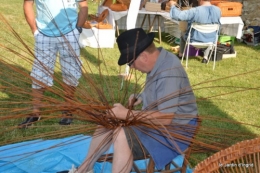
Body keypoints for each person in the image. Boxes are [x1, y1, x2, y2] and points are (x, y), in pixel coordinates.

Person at [66, 28, 198, 173]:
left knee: (121, 135)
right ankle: (85, 169)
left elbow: (166, 118)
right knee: (108, 120)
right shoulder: (159, 61)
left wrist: (126, 113)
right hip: (158, 122)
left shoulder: (168, 72)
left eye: (130, 63)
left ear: (143, 57)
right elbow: (160, 92)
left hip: (174, 131)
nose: (132, 68)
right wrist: (140, 97)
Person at [18, 0, 88, 127]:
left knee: (70, 72)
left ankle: (67, 110)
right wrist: (35, 30)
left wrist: (77, 29)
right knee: (39, 72)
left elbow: (83, 5)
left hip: (70, 33)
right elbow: (28, 3)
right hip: (44, 34)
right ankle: (35, 112)